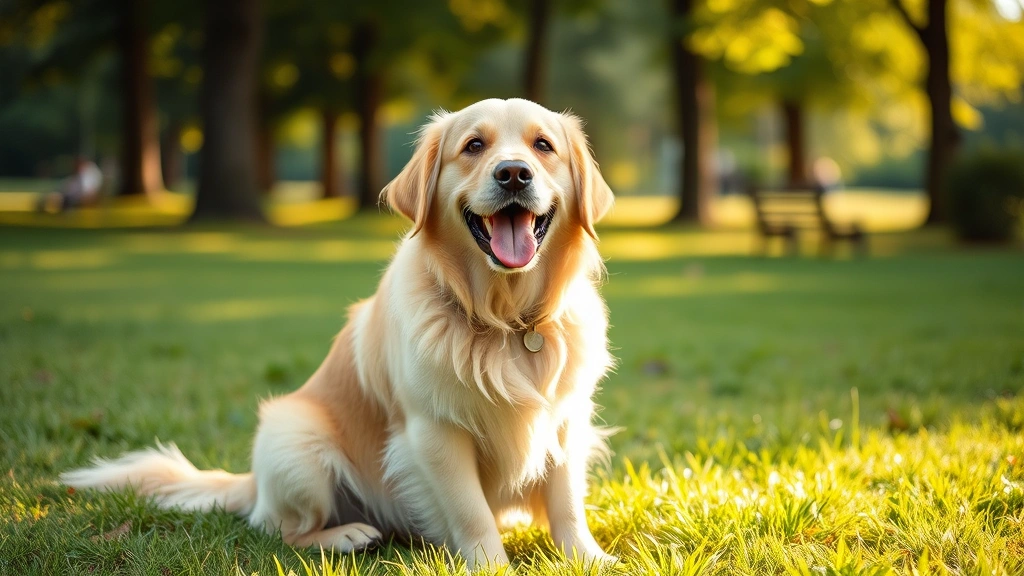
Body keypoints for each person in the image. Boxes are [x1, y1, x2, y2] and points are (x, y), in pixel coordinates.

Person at [38, 156, 103, 213]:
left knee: (57, 198)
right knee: (54, 197)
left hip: (78, 200)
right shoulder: (79, 176)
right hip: (72, 198)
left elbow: (89, 193)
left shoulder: (89, 174)